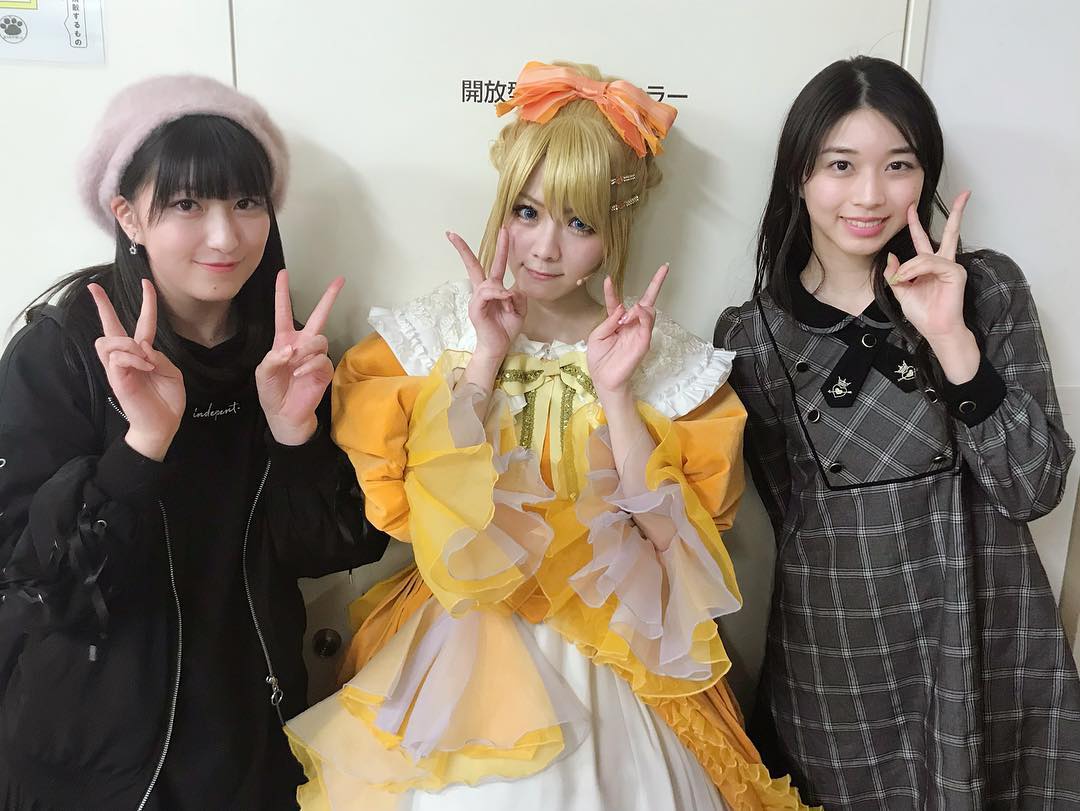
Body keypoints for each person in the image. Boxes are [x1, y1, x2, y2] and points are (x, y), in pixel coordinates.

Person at [284, 60, 813, 811]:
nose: (544, 248)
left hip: (617, 654)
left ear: (616, 229)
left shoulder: (666, 361)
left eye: (579, 224)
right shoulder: (436, 335)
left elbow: (678, 553)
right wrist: (484, 358)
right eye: (527, 212)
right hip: (465, 631)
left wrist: (617, 393)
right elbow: (421, 517)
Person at [0, 75, 389, 810]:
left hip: (251, 734)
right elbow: (36, 584)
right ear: (128, 216)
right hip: (97, 757)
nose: (225, 236)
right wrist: (141, 446)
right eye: (186, 204)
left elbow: (329, 551)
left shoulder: (285, 348)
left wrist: (295, 436)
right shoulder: (64, 352)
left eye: (246, 202)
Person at [715, 55, 1080, 809]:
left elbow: (1034, 487)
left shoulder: (988, 290)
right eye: (841, 165)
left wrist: (951, 340)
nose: (869, 195)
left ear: (926, 174)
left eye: (899, 165)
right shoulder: (751, 337)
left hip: (991, 636)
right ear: (799, 176)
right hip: (840, 657)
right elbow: (794, 515)